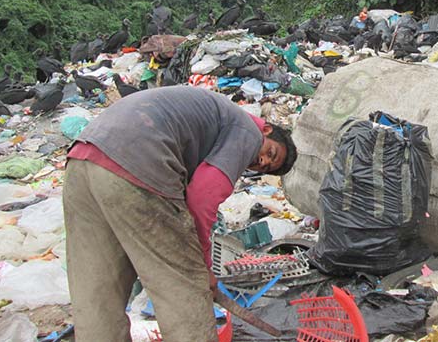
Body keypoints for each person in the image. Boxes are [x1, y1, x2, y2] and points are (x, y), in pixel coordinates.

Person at [63, 86, 297, 342]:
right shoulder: (247, 131)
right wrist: (202, 264)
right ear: (266, 130)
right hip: (138, 163)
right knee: (183, 288)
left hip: (83, 159)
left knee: (97, 290)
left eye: (266, 166)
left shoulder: (218, 114)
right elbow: (202, 197)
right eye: (270, 153)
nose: (262, 161)